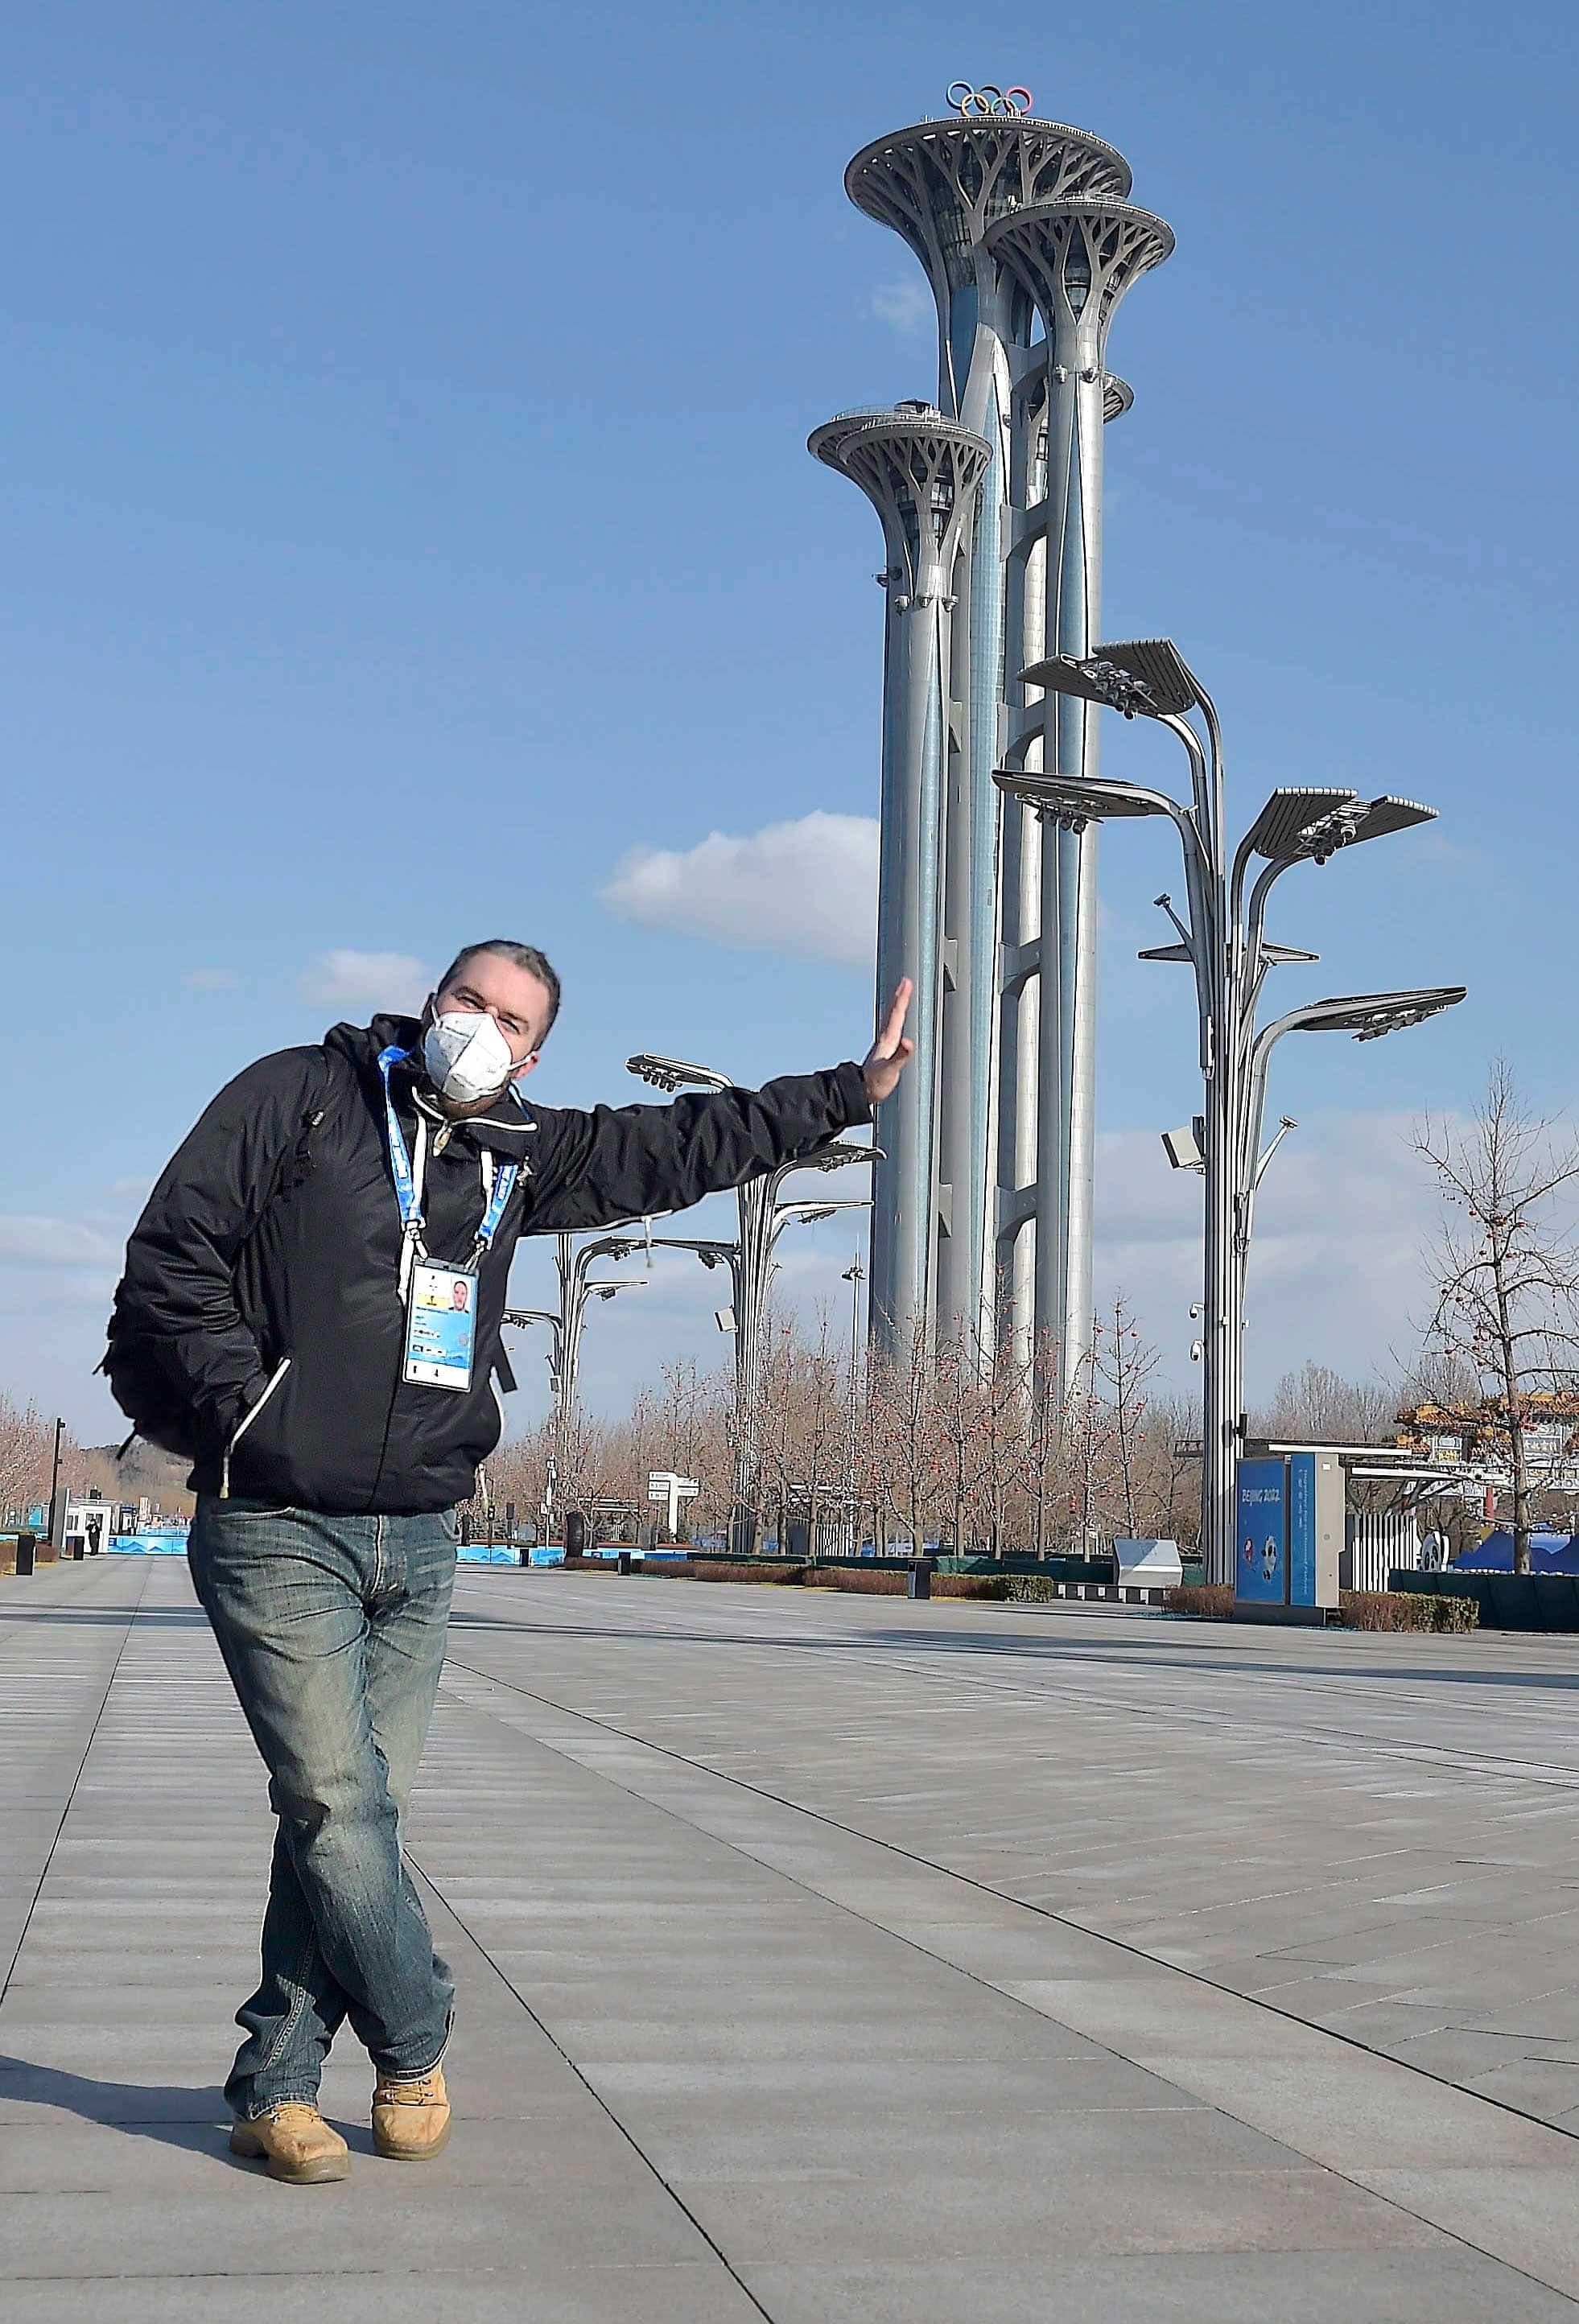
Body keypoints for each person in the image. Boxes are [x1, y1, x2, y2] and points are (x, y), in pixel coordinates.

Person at [105, 938, 913, 2186]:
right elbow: (172, 1256)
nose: (482, 1028)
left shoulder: (520, 1154)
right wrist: (250, 1411)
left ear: (536, 1054)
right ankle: (415, 2039)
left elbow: (677, 1146)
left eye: (512, 1020)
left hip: (423, 1530)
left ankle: (275, 2085)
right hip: (276, 1520)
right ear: (431, 1002)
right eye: (468, 1001)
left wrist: (844, 1093)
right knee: (337, 1803)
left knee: (343, 1822)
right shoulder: (302, 1096)